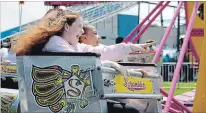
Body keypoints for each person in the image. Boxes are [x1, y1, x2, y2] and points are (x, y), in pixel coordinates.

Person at [14, 9, 156, 113]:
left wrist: (130, 48)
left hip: (76, 103)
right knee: (130, 110)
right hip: (67, 105)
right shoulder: (55, 43)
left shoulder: (70, 45)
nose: (82, 31)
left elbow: (99, 52)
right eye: (80, 26)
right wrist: (115, 66)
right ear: (67, 27)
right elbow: (83, 65)